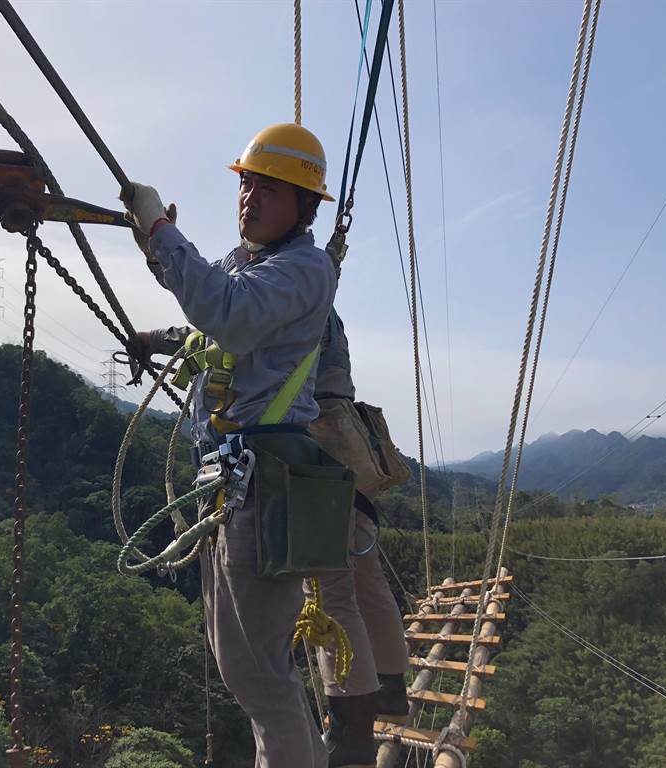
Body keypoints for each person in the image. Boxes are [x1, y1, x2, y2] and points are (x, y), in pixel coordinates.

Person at [123, 123, 369, 768]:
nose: (250, 198)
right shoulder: (252, 263)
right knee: (245, 667)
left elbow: (227, 313)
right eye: (247, 184)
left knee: (258, 672)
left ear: (304, 205)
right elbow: (211, 308)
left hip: (260, 484)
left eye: (269, 189)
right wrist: (158, 259)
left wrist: (160, 231)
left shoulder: (305, 268)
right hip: (236, 482)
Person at [307, 308, 412, 766]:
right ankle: (390, 687)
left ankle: (350, 732)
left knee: (328, 589)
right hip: (348, 442)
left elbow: (238, 326)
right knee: (364, 580)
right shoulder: (322, 302)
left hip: (315, 445)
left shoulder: (290, 286)